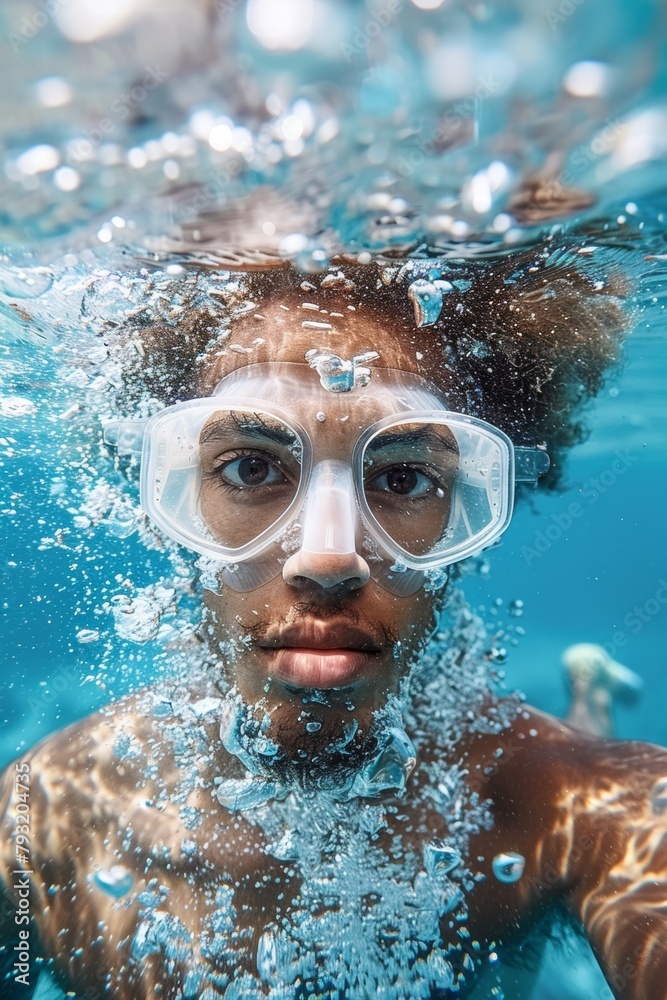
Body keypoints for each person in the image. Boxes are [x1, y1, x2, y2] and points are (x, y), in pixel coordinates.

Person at [1, 252, 666, 1000]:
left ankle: (589, 691)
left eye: (403, 477)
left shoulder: (584, 804)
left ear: (469, 513)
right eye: (250, 469)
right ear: (170, 497)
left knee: (581, 737)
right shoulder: (40, 815)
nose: (326, 558)